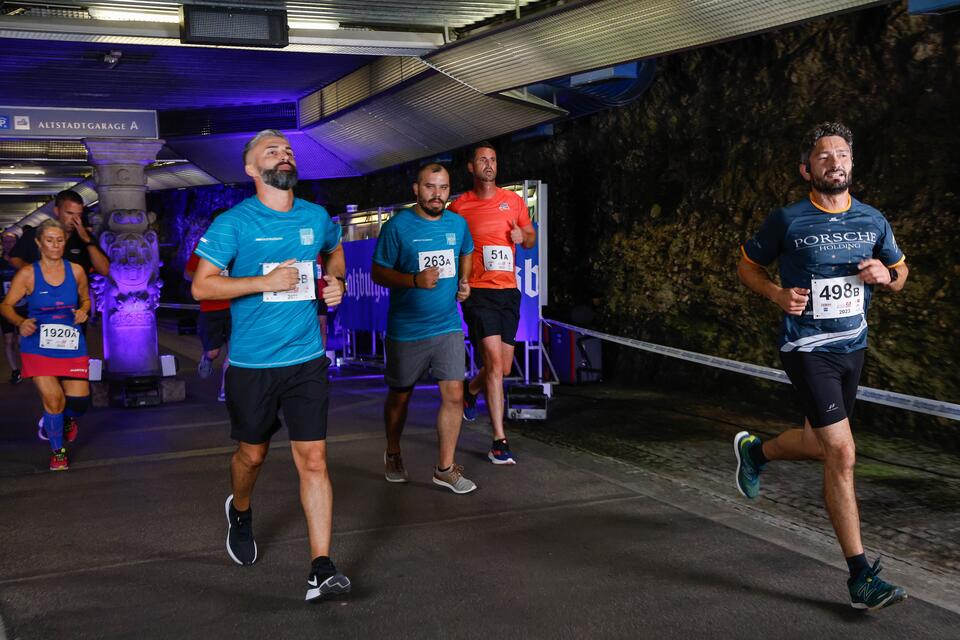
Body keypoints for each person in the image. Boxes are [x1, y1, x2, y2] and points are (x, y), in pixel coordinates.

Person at [735, 122, 909, 611]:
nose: (835, 162)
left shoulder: (874, 220)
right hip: (806, 349)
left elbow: (900, 271)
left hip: (853, 348)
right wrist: (775, 293)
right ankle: (860, 577)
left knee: (818, 443)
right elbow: (748, 264)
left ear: (852, 164)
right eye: (824, 155)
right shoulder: (787, 220)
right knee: (842, 453)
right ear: (806, 168)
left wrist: (887, 275)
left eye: (842, 155)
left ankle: (756, 453)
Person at [191, 129, 350, 603]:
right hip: (252, 364)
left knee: (315, 460)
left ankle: (320, 567)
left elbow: (334, 249)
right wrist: (262, 282)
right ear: (250, 168)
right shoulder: (234, 223)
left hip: (306, 359)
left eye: (287, 149)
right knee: (252, 456)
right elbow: (202, 287)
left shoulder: (316, 217)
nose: (284, 154)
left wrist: (335, 280)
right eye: (271, 150)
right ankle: (240, 510)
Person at [372, 163, 476, 493]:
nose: (437, 194)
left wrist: (464, 280)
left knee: (455, 393)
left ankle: (444, 468)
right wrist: (414, 280)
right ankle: (393, 451)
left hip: (447, 325)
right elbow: (378, 273)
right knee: (400, 398)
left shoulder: (457, 224)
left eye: (443, 187)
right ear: (416, 189)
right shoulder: (398, 227)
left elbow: (467, 252)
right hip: (407, 330)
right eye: (430, 187)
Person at [448, 142, 535, 465]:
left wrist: (521, 238)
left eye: (493, 160)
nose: (489, 164)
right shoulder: (459, 208)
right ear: (471, 167)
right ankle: (499, 440)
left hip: (508, 291)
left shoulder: (513, 201)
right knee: (496, 367)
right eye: (482, 160)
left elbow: (530, 237)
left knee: (504, 367)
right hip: (479, 293)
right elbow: (452, 247)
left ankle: (471, 390)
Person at [1, 219, 91, 471]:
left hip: (71, 341)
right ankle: (57, 452)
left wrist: (84, 310)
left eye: (60, 240)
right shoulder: (28, 274)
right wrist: (20, 322)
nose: (55, 245)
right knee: (53, 399)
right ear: (39, 243)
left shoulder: (76, 271)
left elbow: (85, 298)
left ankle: (65, 421)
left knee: (80, 401)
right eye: (49, 240)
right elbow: (5, 305)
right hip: (37, 342)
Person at [184, 208, 231, 401]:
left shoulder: (240, 245)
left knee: (235, 351)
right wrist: (208, 279)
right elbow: (188, 273)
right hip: (211, 307)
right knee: (214, 351)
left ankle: (226, 389)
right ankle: (207, 358)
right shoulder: (204, 245)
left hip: (235, 305)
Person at [8, 190, 110, 277]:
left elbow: (105, 270)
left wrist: (88, 241)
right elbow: (15, 258)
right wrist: (37, 273)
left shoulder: (85, 236)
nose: (75, 219)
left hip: (76, 297)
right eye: (69, 213)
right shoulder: (34, 234)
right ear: (57, 211)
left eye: (79, 214)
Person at [1, 232, 24, 383]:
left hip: (23, 305)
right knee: (9, 340)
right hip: (6, 306)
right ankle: (15, 371)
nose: (9, 244)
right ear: (2, 243)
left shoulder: (22, 262)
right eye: (6, 241)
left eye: (12, 241)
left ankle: (28, 367)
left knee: (23, 340)